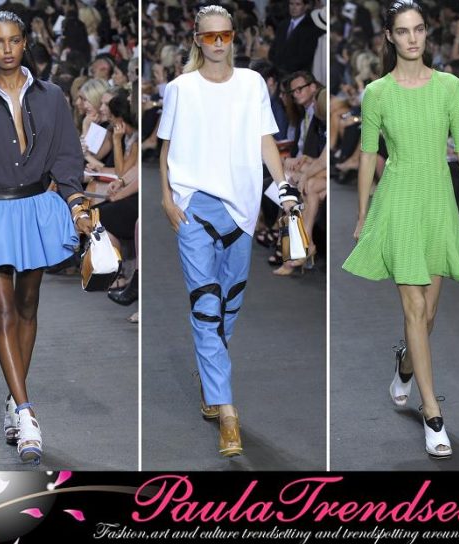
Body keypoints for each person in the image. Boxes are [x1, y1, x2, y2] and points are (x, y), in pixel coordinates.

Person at [342, 0, 459, 459]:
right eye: (403, 31)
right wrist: (363, 213)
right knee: (413, 308)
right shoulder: (377, 92)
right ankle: (433, 415)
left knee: (427, 316)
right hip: (398, 201)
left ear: (426, 33)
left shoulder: (449, 86)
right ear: (389, 37)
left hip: (437, 201)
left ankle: (406, 366)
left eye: (418, 29)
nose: (412, 38)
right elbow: (368, 155)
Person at [0, 11, 93, 465]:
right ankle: (26, 414)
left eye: (14, 40)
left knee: (27, 306)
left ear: (26, 42)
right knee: (4, 309)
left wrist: (77, 204)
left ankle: (12, 397)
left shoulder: (52, 97)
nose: (6, 49)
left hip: (35, 210)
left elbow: (67, 156)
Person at [156, 5, 296, 457]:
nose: (217, 43)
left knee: (229, 304)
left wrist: (285, 189)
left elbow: (264, 139)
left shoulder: (252, 84)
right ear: (197, 39)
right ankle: (227, 411)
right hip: (194, 205)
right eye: (209, 36)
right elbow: (166, 148)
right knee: (205, 304)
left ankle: (209, 374)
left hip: (242, 208)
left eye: (225, 35)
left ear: (234, 37)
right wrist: (167, 198)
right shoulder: (180, 89)